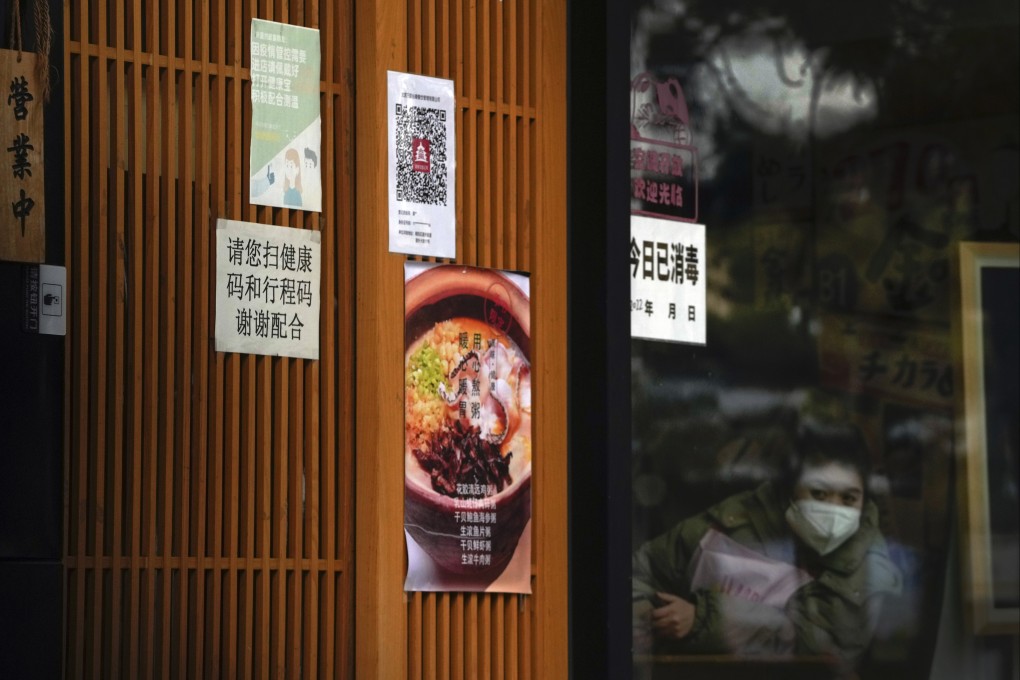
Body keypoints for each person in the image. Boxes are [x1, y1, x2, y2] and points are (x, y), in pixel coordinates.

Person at [632, 421, 902, 671]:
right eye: (818, 493)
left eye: (848, 498)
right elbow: (641, 574)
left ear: (864, 500)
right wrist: (646, 625)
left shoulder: (867, 561)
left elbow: (820, 651)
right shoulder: (739, 519)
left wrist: (703, 618)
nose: (832, 511)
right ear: (790, 488)